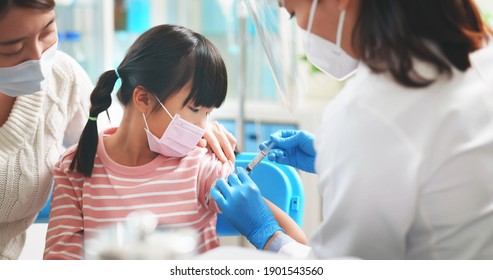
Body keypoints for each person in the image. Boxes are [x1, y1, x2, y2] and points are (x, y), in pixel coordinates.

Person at [211, 0, 493, 259]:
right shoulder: (480, 56)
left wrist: (267, 233)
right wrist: (338, 158)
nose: (299, 27)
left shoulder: (369, 111)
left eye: (294, 13)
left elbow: (343, 269)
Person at [43, 24, 306, 260]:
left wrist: (263, 228)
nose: (203, 127)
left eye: (208, 113)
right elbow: (60, 265)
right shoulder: (77, 167)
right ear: (143, 99)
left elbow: (298, 247)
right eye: (194, 109)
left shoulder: (200, 166)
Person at [0, 0, 93, 260]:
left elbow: (118, 147)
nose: (38, 56)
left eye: (47, 32)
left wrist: (194, 129)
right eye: (13, 49)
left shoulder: (63, 77)